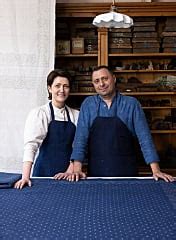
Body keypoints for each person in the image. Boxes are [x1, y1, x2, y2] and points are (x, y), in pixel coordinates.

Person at [68, 65, 174, 182]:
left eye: (105, 78)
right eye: (97, 81)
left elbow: (145, 139)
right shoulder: (88, 105)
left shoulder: (132, 104)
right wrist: (77, 169)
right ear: (93, 84)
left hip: (127, 173)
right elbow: (80, 139)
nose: (101, 84)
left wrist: (156, 170)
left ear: (114, 79)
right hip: (96, 174)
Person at [14, 69, 79, 189]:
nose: (62, 90)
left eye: (66, 86)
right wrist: (25, 177)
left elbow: (79, 147)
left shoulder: (76, 115)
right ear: (50, 88)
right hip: (42, 175)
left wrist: (71, 170)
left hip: (68, 175)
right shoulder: (40, 113)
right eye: (57, 86)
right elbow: (31, 146)